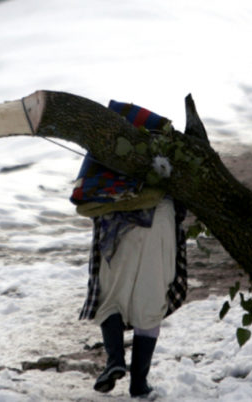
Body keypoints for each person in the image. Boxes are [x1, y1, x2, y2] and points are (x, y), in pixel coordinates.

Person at [70, 101, 187, 398]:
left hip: (115, 226)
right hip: (158, 223)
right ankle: (139, 383)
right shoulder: (166, 148)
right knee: (149, 305)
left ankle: (114, 361)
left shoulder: (101, 153)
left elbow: (85, 194)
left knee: (110, 299)